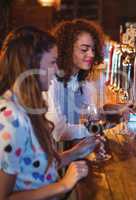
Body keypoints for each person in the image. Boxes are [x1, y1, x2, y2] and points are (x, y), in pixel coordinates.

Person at [0, 26, 99, 199]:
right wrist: (64, 184)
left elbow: (35, 166)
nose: (57, 69)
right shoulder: (11, 118)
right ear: (33, 64)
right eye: (53, 62)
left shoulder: (26, 106)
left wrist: (76, 152)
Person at [47, 19, 105, 141]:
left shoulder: (78, 80)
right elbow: (59, 132)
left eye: (93, 49)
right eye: (84, 49)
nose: (91, 55)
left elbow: (88, 114)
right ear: (67, 50)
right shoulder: (52, 82)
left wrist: (109, 112)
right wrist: (97, 128)